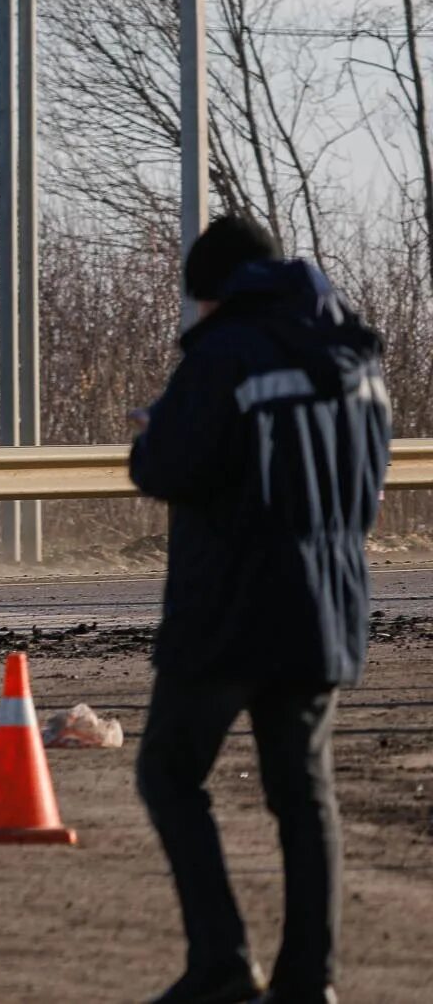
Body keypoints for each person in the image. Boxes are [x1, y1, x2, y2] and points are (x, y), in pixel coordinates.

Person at [130, 216, 391, 1004]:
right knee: (305, 792)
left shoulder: (226, 351)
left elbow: (171, 464)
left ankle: (221, 960)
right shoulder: (357, 354)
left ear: (213, 294)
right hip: (326, 603)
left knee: (170, 773)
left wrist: (149, 434)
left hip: (231, 604)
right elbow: (367, 485)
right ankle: (310, 979)